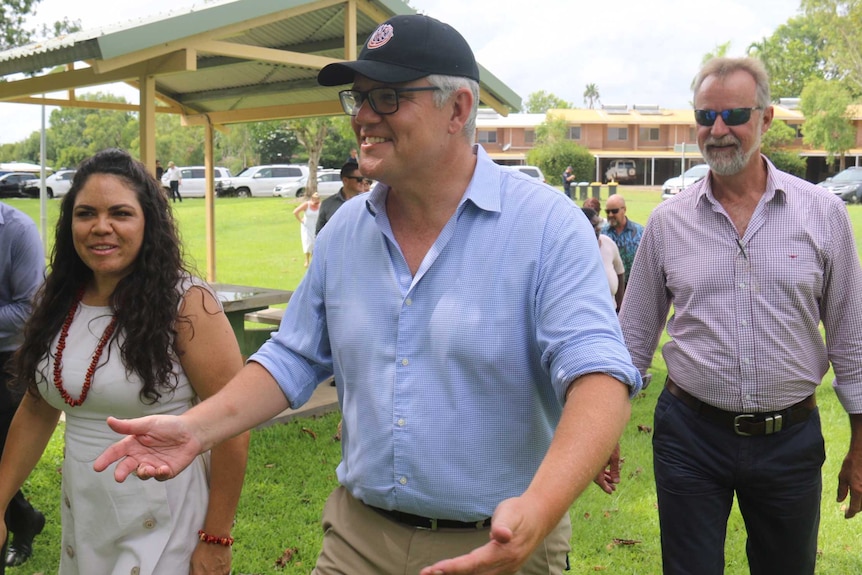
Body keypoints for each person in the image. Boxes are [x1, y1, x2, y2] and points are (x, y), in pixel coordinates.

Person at [94, 14, 641, 575]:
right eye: (357, 98)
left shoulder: (547, 226)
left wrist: (540, 508)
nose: (362, 117)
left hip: (499, 545)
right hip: (357, 539)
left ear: (458, 110)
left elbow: (598, 377)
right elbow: (293, 357)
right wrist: (195, 428)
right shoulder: (345, 231)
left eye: (386, 97)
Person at [619, 56, 862, 575]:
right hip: (690, 436)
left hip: (790, 442)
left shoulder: (823, 214)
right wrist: (602, 433)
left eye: (734, 114)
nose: (719, 130)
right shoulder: (667, 224)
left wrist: (861, 442)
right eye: (706, 117)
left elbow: (851, 340)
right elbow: (632, 340)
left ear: (766, 119)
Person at [0, 148, 249, 574]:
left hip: (166, 518)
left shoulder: (186, 303)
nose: (101, 227)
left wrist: (216, 537)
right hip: (86, 513)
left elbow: (233, 426)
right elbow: (38, 407)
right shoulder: (58, 299)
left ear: (147, 222)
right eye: (85, 214)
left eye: (120, 213)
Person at [0, 202, 45, 571]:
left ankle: (21, 524)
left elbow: (28, 309)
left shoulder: (18, 231)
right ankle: (25, 519)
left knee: (5, 455)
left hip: (9, 362)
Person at [582, 207, 624, 312]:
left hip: (611, 312)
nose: (598, 228)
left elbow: (620, 272)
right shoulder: (576, 249)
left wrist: (620, 307)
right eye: (594, 225)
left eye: (598, 225)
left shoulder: (608, 243)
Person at [314, 161, 367, 235]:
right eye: (359, 179)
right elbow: (319, 234)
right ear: (345, 180)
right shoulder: (328, 204)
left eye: (364, 179)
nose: (363, 182)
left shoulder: (368, 203)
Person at [601, 193, 642, 283]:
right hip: (609, 288)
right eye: (608, 212)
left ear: (624, 210)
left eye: (614, 211)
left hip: (633, 287)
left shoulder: (640, 233)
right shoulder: (602, 234)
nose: (611, 215)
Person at [293, 192, 321, 267]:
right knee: (308, 242)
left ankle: (315, 260)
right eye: (315, 199)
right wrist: (301, 220)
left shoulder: (320, 205)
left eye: (318, 199)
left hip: (315, 226)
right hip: (306, 226)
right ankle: (307, 260)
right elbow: (295, 212)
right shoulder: (307, 204)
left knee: (315, 243)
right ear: (312, 199)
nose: (317, 201)